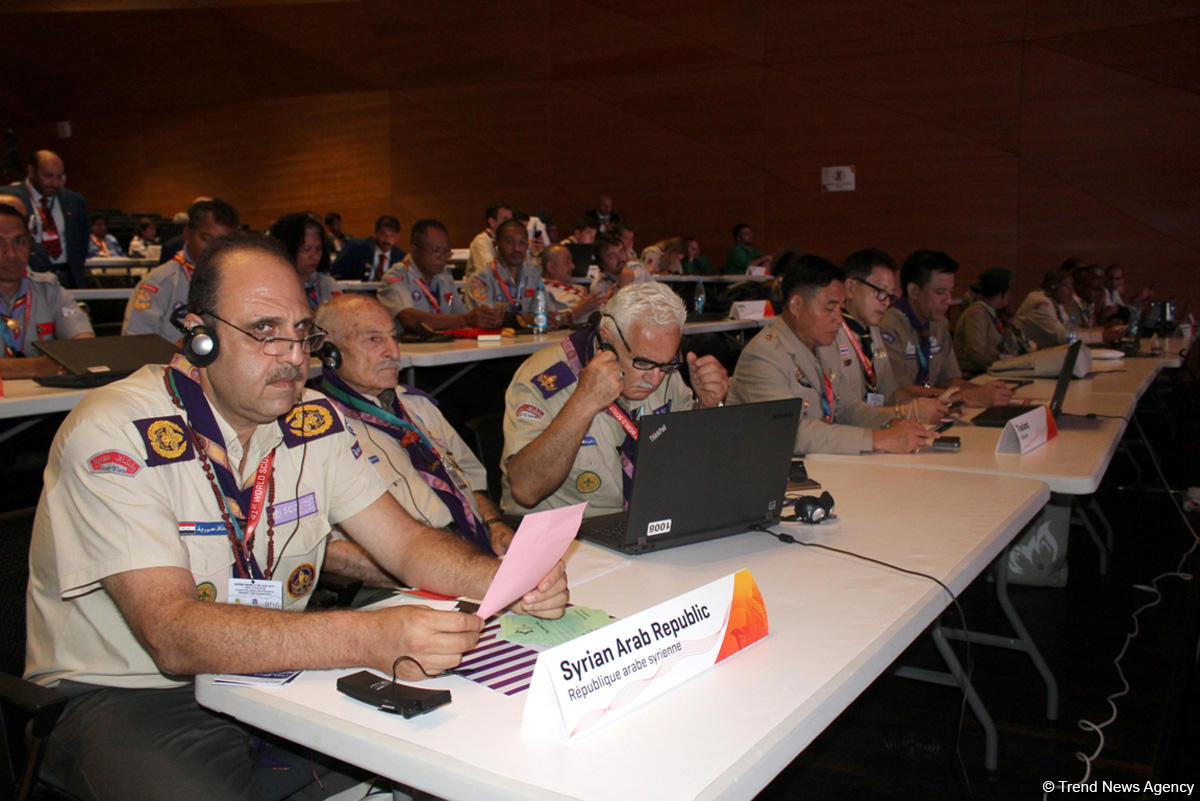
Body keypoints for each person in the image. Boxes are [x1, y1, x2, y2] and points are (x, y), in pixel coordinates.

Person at [25, 233, 568, 801]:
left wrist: (507, 581)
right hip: (130, 692)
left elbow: (406, 544)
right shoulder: (114, 430)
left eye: (301, 333)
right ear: (199, 336)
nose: (292, 355)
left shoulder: (315, 418)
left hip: (278, 670)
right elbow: (171, 635)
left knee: (454, 758)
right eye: (264, 331)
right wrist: (366, 636)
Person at [312, 295, 515, 558]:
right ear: (331, 353)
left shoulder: (418, 406)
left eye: (393, 338)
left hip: (477, 552)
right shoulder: (316, 432)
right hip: (403, 577)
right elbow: (329, 553)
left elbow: (469, 481)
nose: (394, 353)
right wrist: (435, 570)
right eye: (374, 339)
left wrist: (493, 523)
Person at [502, 281, 729, 517]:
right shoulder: (543, 377)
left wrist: (709, 408)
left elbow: (692, 465)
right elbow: (525, 491)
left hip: (645, 520)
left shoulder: (667, 372)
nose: (654, 379)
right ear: (606, 338)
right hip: (562, 531)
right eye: (643, 363)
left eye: (665, 364)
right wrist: (583, 403)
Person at [729, 254, 936, 455]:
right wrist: (878, 439)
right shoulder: (764, 356)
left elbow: (847, 408)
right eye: (830, 309)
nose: (839, 319)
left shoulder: (823, 347)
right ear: (796, 305)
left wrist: (892, 424)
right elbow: (789, 432)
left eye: (841, 308)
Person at [818, 248, 949, 422]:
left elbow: (890, 394)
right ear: (850, 288)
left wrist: (931, 404)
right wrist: (908, 412)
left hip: (877, 425)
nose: (886, 302)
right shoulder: (829, 334)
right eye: (880, 292)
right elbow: (843, 413)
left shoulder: (872, 331)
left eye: (890, 295)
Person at [879, 249, 1014, 407]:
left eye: (951, 292)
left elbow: (949, 379)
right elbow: (900, 391)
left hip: (935, 409)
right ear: (914, 291)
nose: (948, 300)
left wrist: (985, 391)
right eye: (940, 292)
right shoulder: (888, 326)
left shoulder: (939, 323)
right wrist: (967, 396)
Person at [122, 198, 239, 342]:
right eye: (206, 239)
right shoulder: (159, 282)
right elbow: (136, 342)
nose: (214, 248)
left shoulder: (237, 282)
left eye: (223, 243)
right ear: (187, 235)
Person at [0, 202, 94, 379]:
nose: (11, 254)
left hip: (43, 403)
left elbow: (85, 346)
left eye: (19, 242)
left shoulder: (49, 290)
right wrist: (32, 367)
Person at [378, 218, 502, 331]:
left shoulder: (445, 277)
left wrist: (483, 317)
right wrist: (465, 320)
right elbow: (409, 318)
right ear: (415, 250)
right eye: (436, 251)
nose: (443, 258)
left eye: (446, 252)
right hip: (408, 351)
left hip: (444, 347)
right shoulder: (397, 276)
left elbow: (455, 309)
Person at [0, 150, 89, 288]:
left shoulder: (75, 201)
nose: (54, 183)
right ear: (31, 171)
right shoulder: (9, 198)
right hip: (28, 277)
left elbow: (82, 243)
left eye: (59, 177)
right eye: (48, 176)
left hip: (68, 277)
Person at [953, 267, 1026, 374]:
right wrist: (1003, 364)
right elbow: (976, 353)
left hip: (988, 371)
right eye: (1009, 292)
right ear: (1002, 294)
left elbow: (1011, 348)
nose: (1011, 296)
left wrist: (1008, 326)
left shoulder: (994, 314)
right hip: (972, 374)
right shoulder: (976, 314)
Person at [466, 218, 543, 317]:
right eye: (509, 242)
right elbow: (488, 319)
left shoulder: (533, 272)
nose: (517, 248)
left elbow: (541, 311)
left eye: (522, 242)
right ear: (496, 245)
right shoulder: (480, 279)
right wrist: (525, 320)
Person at [267, 212, 340, 309]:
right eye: (306, 249)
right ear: (289, 250)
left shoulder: (328, 284)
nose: (315, 256)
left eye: (318, 249)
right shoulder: (275, 288)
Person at [541, 243, 608, 325]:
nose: (573, 266)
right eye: (566, 262)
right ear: (551, 267)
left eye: (571, 261)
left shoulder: (578, 287)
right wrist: (579, 310)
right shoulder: (542, 291)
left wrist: (605, 302)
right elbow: (548, 322)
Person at [331, 215, 404, 281]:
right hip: (357, 293)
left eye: (392, 235)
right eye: (383, 233)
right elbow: (336, 272)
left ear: (397, 238)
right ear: (375, 234)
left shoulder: (400, 257)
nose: (387, 239)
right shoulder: (357, 248)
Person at [466, 201, 513, 276]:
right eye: (505, 220)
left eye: (511, 220)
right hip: (482, 286)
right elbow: (489, 271)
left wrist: (533, 253)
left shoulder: (508, 241)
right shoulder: (481, 241)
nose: (510, 224)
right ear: (492, 222)